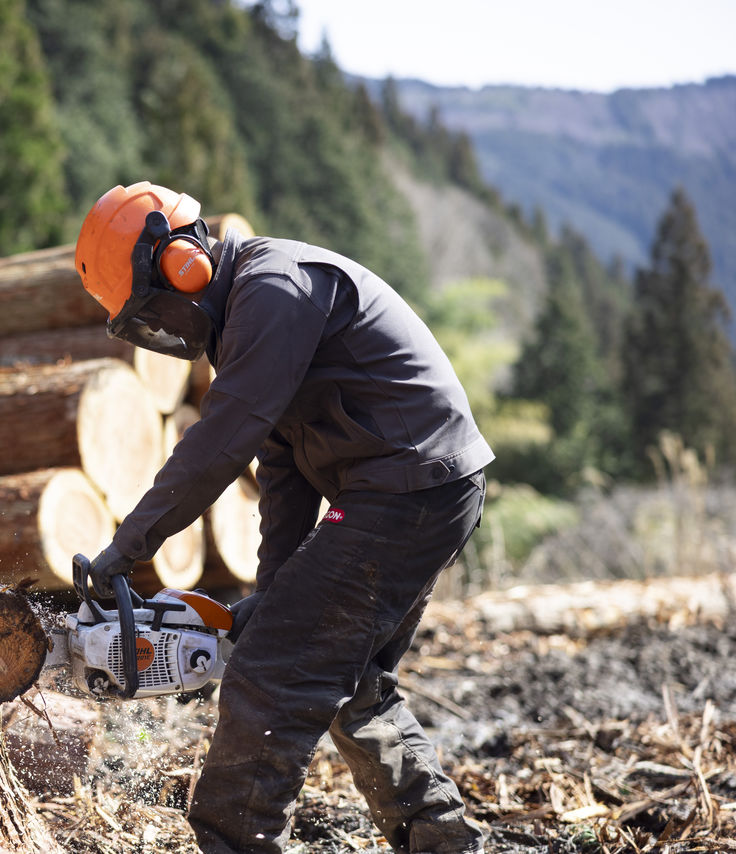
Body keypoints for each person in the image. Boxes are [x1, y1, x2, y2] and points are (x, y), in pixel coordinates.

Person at [72, 181, 493, 854]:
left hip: (406, 488)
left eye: (158, 311)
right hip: (419, 488)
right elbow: (283, 474)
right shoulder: (247, 318)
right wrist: (270, 596)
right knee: (345, 677)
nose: (167, 329)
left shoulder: (274, 290)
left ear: (184, 264)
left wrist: (128, 546)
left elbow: (222, 440)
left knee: (269, 677)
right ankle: (442, 841)